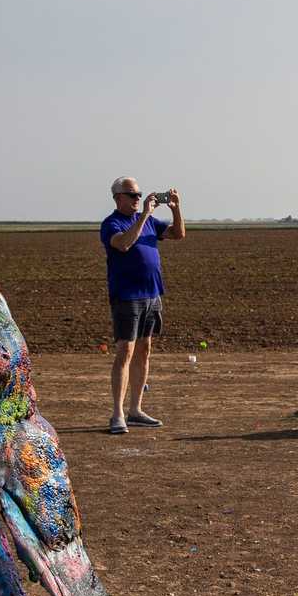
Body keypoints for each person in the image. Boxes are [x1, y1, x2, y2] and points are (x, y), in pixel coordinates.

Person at [100, 178, 184, 434]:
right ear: (118, 198)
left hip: (152, 294)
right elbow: (124, 244)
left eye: (139, 195)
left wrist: (175, 208)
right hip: (127, 296)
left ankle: (135, 410)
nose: (137, 198)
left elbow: (178, 234)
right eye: (132, 195)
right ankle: (117, 414)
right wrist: (145, 213)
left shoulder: (148, 222)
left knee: (144, 350)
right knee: (124, 352)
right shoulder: (111, 224)